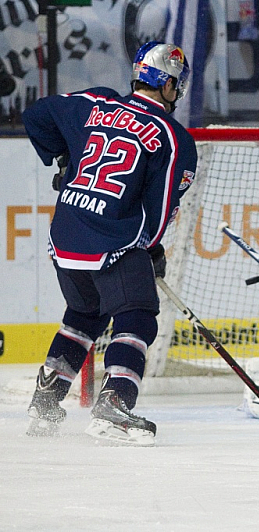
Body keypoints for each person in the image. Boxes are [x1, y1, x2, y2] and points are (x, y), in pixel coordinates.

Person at [22, 41, 197, 446]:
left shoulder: (94, 102)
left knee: (85, 313)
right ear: (169, 85)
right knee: (137, 314)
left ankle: (46, 400)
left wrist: (66, 160)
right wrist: (149, 249)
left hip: (64, 234)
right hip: (112, 241)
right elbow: (158, 211)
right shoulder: (173, 138)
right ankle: (115, 404)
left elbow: (36, 116)